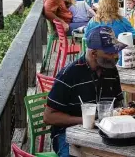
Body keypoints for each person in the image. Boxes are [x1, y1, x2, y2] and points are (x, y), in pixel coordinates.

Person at [44, 25, 126, 157]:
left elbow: (118, 105)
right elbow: (48, 117)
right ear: (93, 53)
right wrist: (85, 120)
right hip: (67, 134)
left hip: (104, 131)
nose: (116, 56)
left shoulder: (111, 69)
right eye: (110, 53)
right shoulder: (68, 74)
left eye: (116, 51)